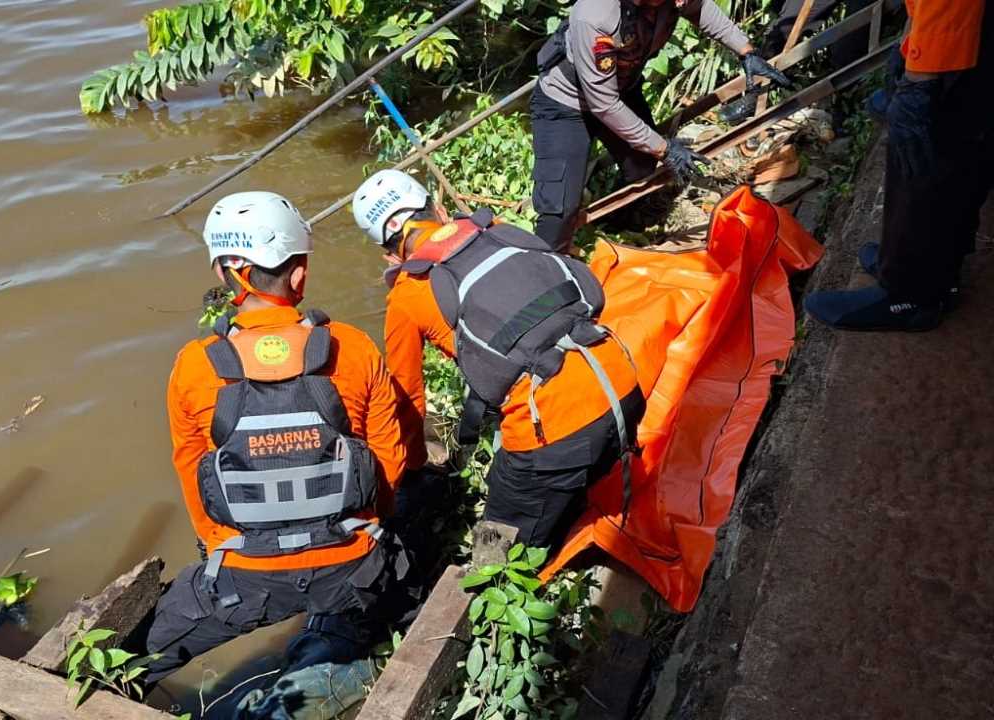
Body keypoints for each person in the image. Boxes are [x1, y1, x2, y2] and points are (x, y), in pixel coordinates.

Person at [146, 191, 412, 685]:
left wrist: (226, 549)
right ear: (299, 274)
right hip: (353, 566)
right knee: (403, 591)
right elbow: (388, 466)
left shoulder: (194, 364)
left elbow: (192, 474)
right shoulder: (352, 347)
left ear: (224, 274)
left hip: (242, 577)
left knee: (141, 653)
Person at [352, 169, 645, 550]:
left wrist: (418, 467)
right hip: (623, 384)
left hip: (556, 433)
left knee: (494, 547)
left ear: (389, 254)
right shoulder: (501, 229)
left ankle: (501, 580)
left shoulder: (408, 296)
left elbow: (409, 403)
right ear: (439, 208)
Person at [531, 0, 792, 252]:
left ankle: (612, 222)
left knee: (642, 167)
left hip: (621, 91)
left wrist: (747, 52)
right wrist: (664, 148)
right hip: (566, 103)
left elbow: (702, 9)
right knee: (559, 210)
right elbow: (604, 105)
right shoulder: (595, 13)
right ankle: (544, 270)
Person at [804, 0, 991, 331]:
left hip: (955, 29)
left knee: (924, 154)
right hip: (958, 27)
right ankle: (936, 272)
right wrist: (910, 46)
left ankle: (909, 296)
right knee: (963, 147)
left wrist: (921, 73)